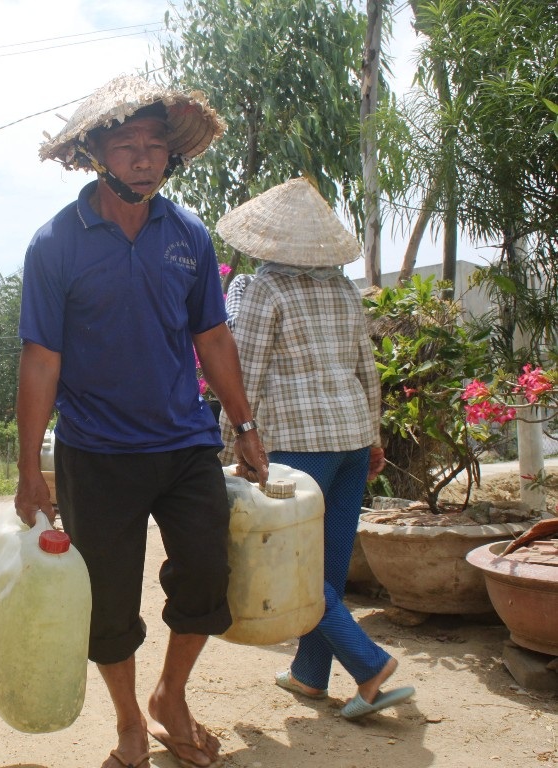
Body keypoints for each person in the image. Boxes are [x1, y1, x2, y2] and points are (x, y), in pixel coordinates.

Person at [15, 75, 269, 768]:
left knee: (206, 576)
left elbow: (213, 339)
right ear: (96, 153)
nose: (144, 156)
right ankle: (129, 720)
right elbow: (41, 360)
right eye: (127, 143)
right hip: (96, 450)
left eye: (155, 143)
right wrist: (29, 468)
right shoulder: (56, 244)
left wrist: (243, 429)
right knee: (107, 602)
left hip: (184, 440)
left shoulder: (186, 234)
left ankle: (170, 695)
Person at [217, 177, 415, 720]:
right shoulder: (343, 287)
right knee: (326, 567)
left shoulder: (262, 288)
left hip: (297, 449)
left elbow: (246, 371)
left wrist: (230, 441)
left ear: (267, 240)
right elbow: (365, 366)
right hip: (351, 437)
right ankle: (308, 676)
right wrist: (373, 433)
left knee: (297, 572)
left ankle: (369, 665)